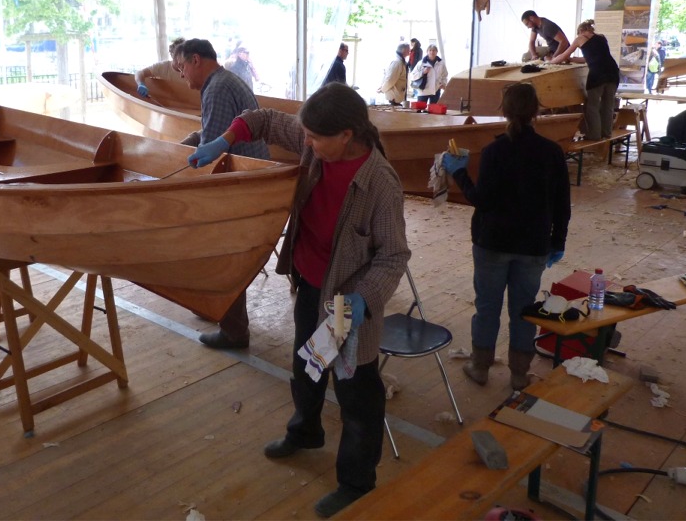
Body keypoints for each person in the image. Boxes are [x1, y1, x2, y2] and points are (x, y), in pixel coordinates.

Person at [188, 82, 410, 518]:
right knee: (305, 366)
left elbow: (393, 256)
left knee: (356, 393)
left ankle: (357, 482)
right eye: (305, 134)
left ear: (346, 135)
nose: (305, 143)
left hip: (348, 304)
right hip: (310, 283)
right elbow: (263, 120)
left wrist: (364, 299)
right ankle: (306, 431)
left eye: (314, 138)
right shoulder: (316, 143)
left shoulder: (380, 184)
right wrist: (225, 139)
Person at [441, 83, 570, 391]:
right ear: (537, 111)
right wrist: (558, 242)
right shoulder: (552, 152)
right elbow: (562, 204)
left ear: (504, 111)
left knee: (487, 306)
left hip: (493, 243)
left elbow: (481, 200)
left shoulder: (494, 151)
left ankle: (480, 367)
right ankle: (519, 374)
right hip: (534, 245)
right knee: (524, 310)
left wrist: (459, 172)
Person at [174, 38, 270, 350]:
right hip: (253, 176)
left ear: (196, 60)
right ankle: (216, 307)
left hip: (241, 182)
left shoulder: (215, 88)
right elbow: (214, 134)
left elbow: (213, 146)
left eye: (182, 67)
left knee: (221, 250)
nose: (182, 75)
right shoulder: (226, 80)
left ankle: (234, 331)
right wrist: (187, 142)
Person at [549, 19, 620, 141]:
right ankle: (606, 134)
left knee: (592, 106)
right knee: (608, 105)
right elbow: (590, 58)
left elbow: (563, 55)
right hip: (613, 72)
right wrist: (573, 60)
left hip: (598, 73)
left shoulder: (580, 38)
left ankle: (594, 136)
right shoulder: (601, 38)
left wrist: (550, 62)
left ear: (581, 31)